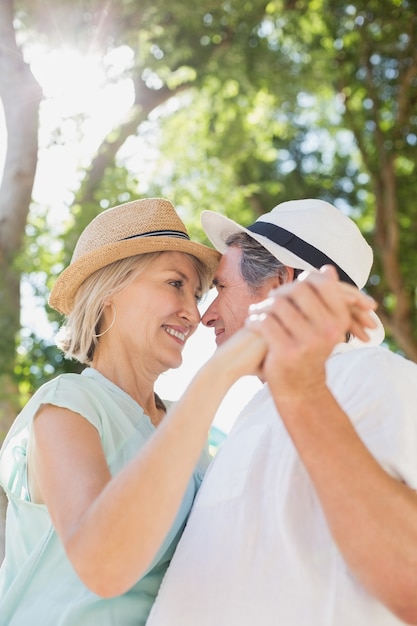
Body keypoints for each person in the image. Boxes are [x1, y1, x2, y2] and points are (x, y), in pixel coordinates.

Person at [146, 199, 417, 626]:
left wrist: (301, 389)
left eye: (221, 288)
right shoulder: (254, 413)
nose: (206, 315)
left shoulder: (375, 377)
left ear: (281, 283)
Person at [0, 196, 268, 626]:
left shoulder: (192, 427)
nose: (195, 314)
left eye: (198, 294)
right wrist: (219, 374)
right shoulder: (67, 406)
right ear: (111, 291)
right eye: (175, 284)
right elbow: (102, 562)